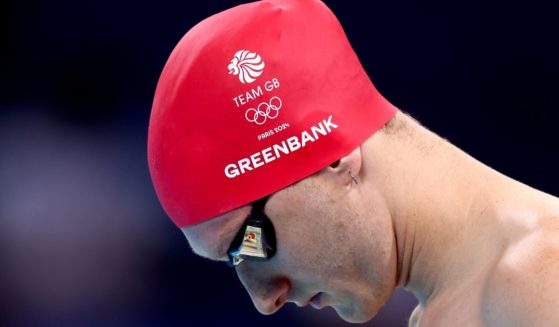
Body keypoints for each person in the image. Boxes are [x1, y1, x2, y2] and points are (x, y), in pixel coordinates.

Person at [147, 0, 559, 325]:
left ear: (335, 155)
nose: (264, 299)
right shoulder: (461, 307)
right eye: (235, 262)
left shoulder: (538, 278)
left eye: (248, 242)